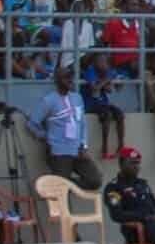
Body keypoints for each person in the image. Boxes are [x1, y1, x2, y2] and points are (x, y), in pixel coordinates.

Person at [26, 62, 103, 191]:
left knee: (94, 180)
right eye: (66, 77)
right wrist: (45, 136)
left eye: (71, 77)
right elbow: (32, 123)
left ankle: (62, 182)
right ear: (57, 81)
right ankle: (60, 184)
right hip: (59, 152)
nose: (70, 80)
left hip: (78, 151)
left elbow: (82, 123)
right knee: (62, 192)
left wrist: (84, 145)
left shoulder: (77, 97)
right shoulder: (48, 100)